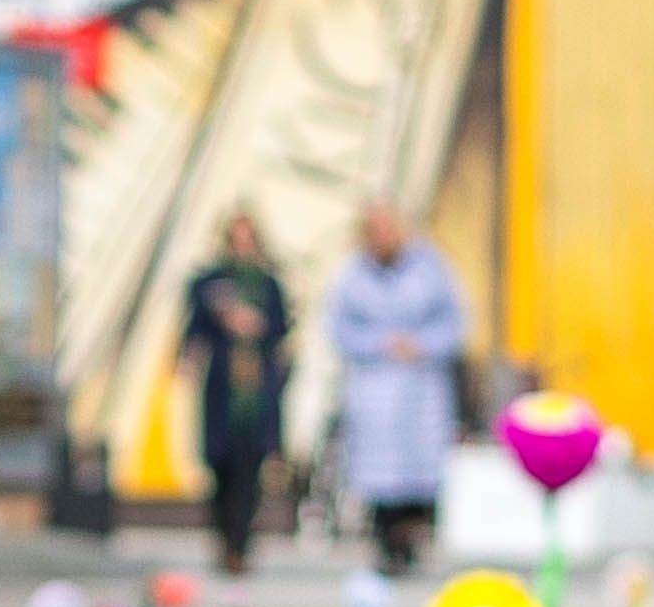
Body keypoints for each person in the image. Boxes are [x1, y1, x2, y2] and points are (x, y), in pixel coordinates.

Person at [325, 200, 466, 574]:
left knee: (418, 470)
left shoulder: (431, 267)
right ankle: (387, 542)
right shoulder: (352, 275)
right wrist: (380, 344)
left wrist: (423, 344)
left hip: (421, 382)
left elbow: (455, 321)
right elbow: (339, 329)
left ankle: (411, 535)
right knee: (379, 472)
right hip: (375, 385)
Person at [179, 212, 297, 575]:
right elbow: (193, 326)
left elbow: (282, 330)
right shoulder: (209, 282)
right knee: (220, 467)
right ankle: (224, 539)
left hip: (255, 391)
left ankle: (240, 546)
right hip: (221, 389)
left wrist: (257, 325)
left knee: (250, 469)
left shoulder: (268, 285)